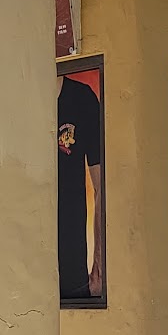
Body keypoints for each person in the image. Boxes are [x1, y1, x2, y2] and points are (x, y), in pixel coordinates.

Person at [58, 74, 104, 299]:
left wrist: (99, 266)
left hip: (71, 273)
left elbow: (101, 186)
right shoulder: (15, 96)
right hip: (20, 268)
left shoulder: (81, 98)